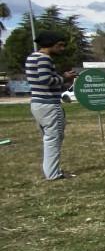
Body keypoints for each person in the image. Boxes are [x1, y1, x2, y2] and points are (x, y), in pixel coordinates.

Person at [26, 30, 77, 180]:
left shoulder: (31, 57)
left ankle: (51, 171)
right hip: (49, 105)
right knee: (54, 138)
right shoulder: (44, 59)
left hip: (37, 103)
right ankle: (53, 174)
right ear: (50, 44)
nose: (62, 49)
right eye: (59, 45)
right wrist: (64, 78)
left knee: (48, 138)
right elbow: (45, 80)